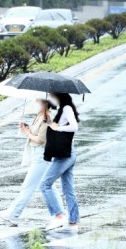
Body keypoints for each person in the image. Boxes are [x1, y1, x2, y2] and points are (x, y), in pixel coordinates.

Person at [1, 99, 63, 227]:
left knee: (28, 186)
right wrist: (27, 129)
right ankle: (61, 215)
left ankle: (13, 215)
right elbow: (34, 135)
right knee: (49, 186)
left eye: (38, 100)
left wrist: (27, 133)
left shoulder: (47, 118)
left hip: (42, 156)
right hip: (38, 154)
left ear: (45, 102)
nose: (35, 102)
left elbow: (41, 140)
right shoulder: (40, 115)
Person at [40, 92, 80, 232]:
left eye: (52, 96)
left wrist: (58, 127)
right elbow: (56, 128)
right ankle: (73, 222)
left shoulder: (67, 108)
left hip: (64, 155)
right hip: (66, 153)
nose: (51, 98)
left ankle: (58, 216)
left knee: (45, 185)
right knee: (68, 189)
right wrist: (50, 122)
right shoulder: (62, 109)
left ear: (59, 95)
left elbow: (74, 127)